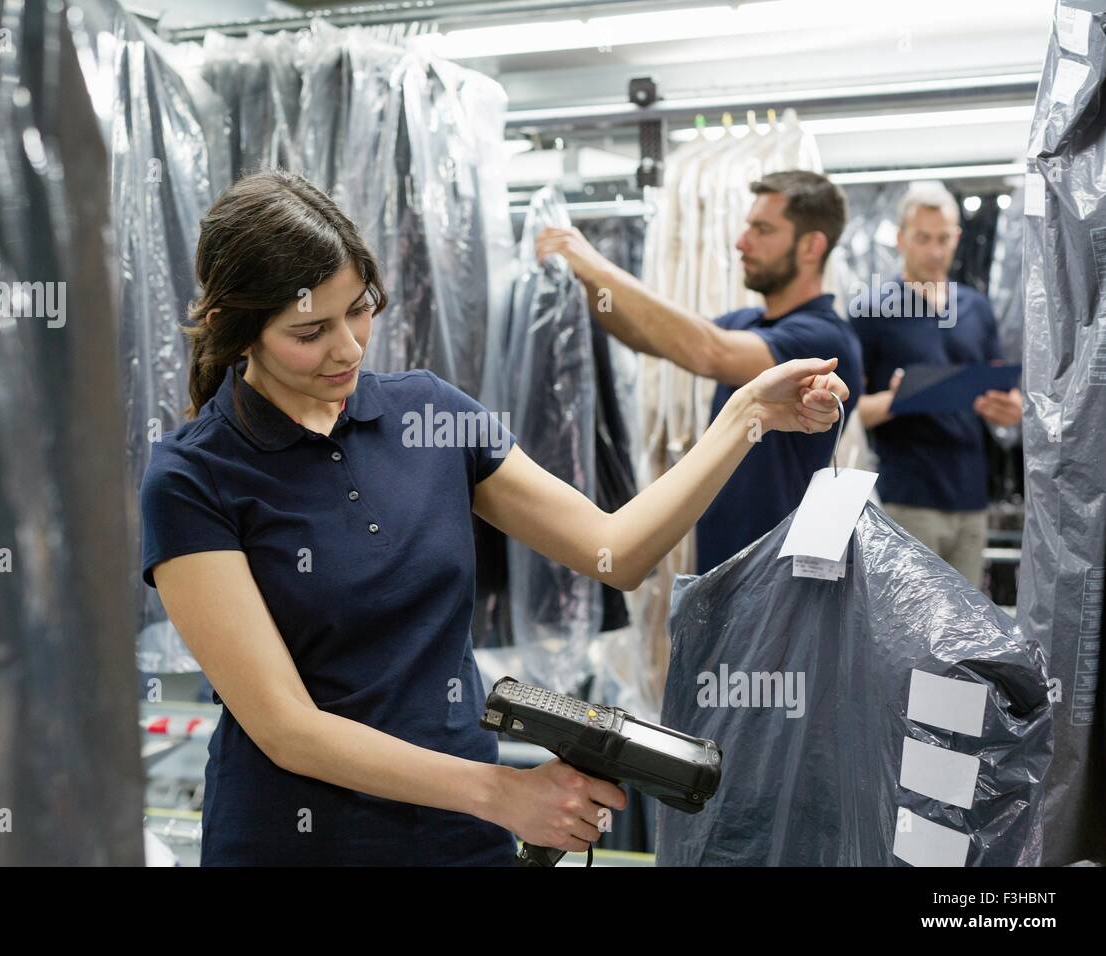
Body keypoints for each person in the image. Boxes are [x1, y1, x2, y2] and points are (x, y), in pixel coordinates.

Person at [139, 168, 849, 866]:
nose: (350, 347)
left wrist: (746, 415)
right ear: (237, 328)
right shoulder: (194, 477)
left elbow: (614, 551)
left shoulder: (428, 414)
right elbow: (287, 728)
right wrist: (502, 793)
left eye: (361, 307)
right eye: (310, 330)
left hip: (458, 839)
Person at [536, 170, 864, 573]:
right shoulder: (746, 320)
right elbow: (652, 337)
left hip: (779, 577)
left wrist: (593, 263)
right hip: (724, 564)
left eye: (762, 230)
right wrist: (589, 283)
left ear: (812, 245)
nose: (742, 243)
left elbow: (709, 352)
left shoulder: (824, 339)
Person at [852, 181, 1021, 587]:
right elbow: (848, 410)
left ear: (957, 238)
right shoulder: (872, 310)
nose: (934, 250)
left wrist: (1010, 409)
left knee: (966, 627)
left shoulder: (975, 307)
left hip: (971, 497)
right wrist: (896, 399)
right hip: (908, 495)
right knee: (910, 630)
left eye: (943, 238)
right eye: (923, 238)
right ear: (901, 239)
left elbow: (1003, 390)